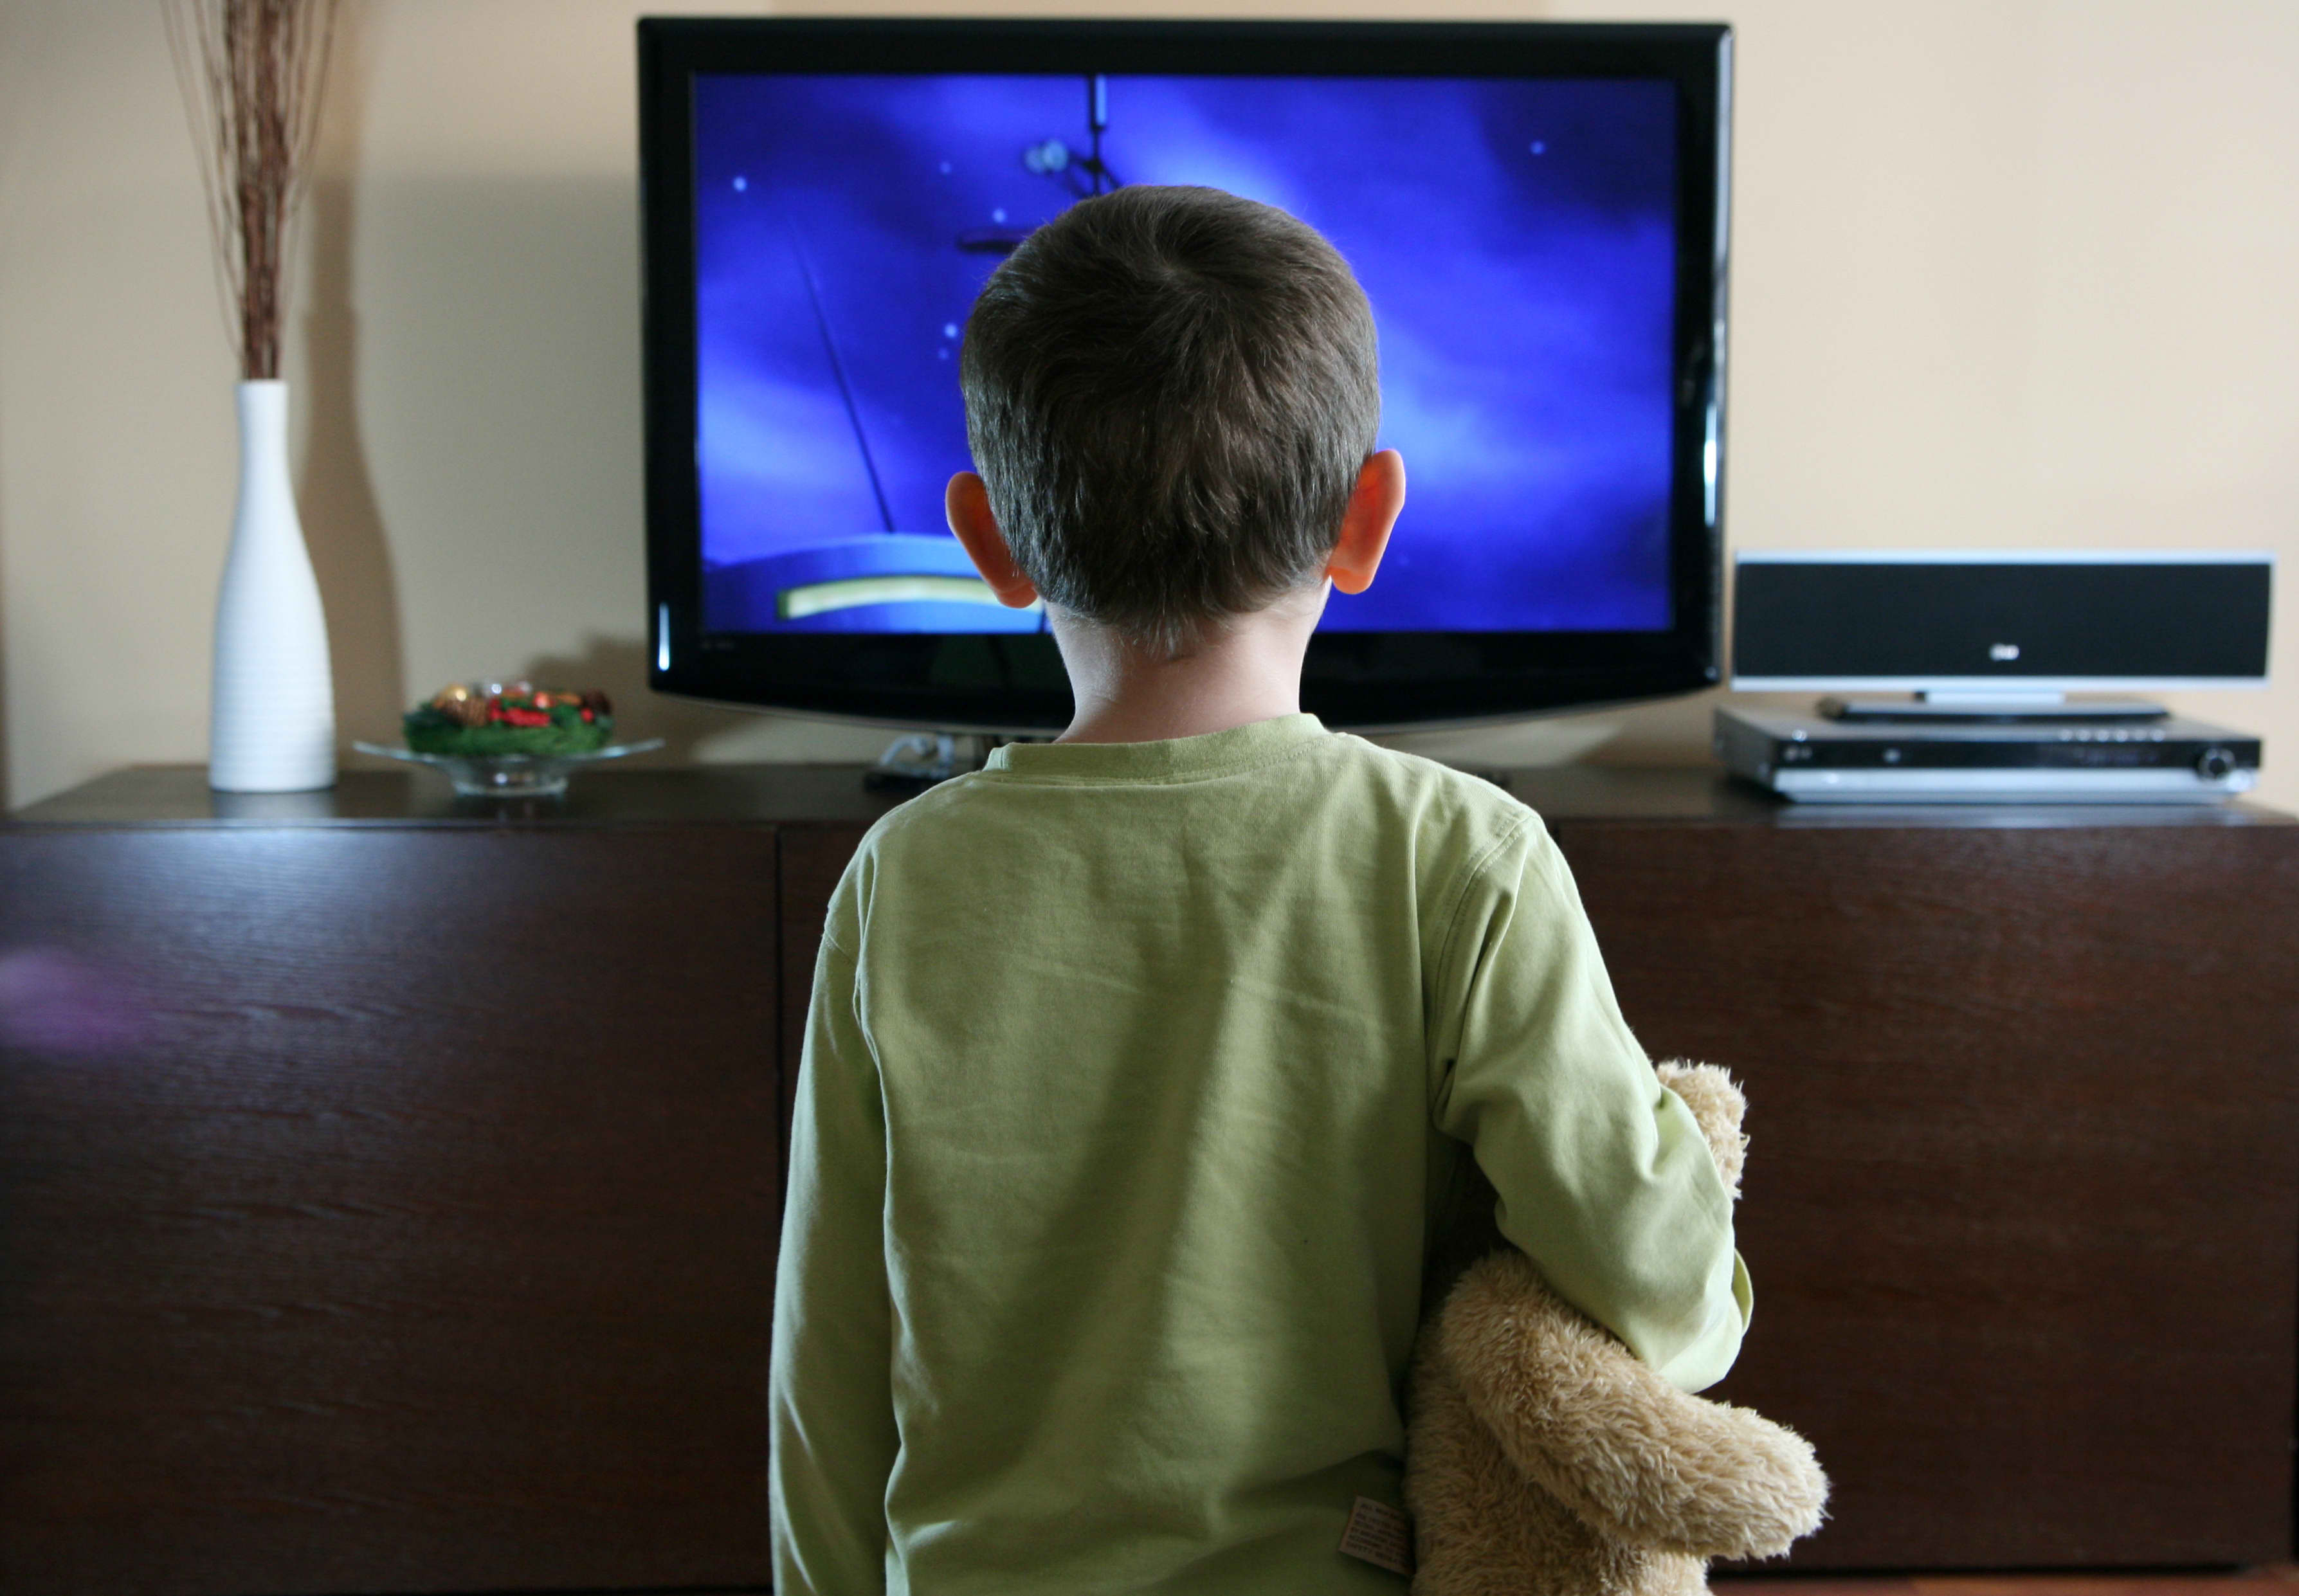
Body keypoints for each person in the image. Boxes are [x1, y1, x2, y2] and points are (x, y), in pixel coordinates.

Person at [768, 185, 1751, 1595]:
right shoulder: (1458, 851)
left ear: (988, 542)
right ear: (1368, 520)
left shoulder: (900, 873)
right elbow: (1666, 1299)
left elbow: (832, 1354)